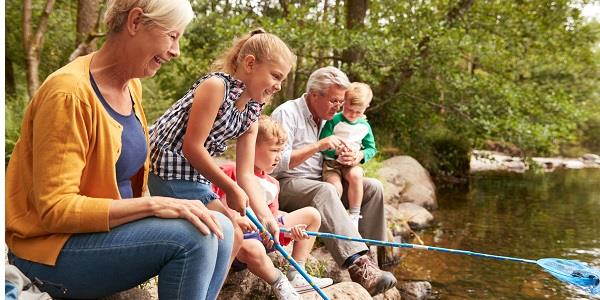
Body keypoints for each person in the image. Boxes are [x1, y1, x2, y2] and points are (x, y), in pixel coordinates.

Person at [5, 1, 235, 299]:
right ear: (136, 22)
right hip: (50, 250)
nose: (176, 50)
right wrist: (154, 205)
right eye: (172, 36)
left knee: (222, 227)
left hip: (103, 236)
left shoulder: (131, 86)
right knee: (193, 237)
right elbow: (55, 210)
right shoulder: (68, 94)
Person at [147, 29, 295, 262]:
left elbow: (246, 174)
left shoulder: (252, 112)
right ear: (249, 64)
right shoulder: (216, 87)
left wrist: (266, 216)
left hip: (193, 178)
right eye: (276, 76)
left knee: (233, 234)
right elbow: (192, 147)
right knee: (226, 231)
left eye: (282, 80)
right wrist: (230, 188)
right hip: (166, 170)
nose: (278, 86)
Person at [270, 67, 397, 296]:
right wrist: (318, 146)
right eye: (334, 101)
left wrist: (354, 156)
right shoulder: (287, 113)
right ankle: (359, 267)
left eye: (341, 102)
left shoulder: (333, 119)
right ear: (314, 94)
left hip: (323, 181)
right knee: (326, 190)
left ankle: (373, 259)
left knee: (372, 188)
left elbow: (357, 149)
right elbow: (276, 162)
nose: (339, 107)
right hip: (288, 184)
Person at [212, 116, 334, 299]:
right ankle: (279, 281)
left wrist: (289, 232)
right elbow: (211, 202)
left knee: (312, 215)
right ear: (251, 147)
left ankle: (296, 274)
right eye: (274, 150)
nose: (279, 157)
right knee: (253, 248)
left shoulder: (272, 183)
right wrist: (235, 219)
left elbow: (273, 218)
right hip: (238, 242)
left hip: (263, 236)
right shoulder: (229, 171)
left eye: (281, 151)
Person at [318, 82, 377, 230]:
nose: (352, 115)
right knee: (335, 187)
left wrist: (360, 155)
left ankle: (354, 215)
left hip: (351, 164)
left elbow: (371, 148)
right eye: (349, 109)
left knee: (357, 175)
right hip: (332, 164)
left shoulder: (364, 126)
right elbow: (322, 144)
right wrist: (335, 152)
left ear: (366, 108)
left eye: (358, 112)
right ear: (344, 103)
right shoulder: (334, 121)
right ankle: (334, 219)